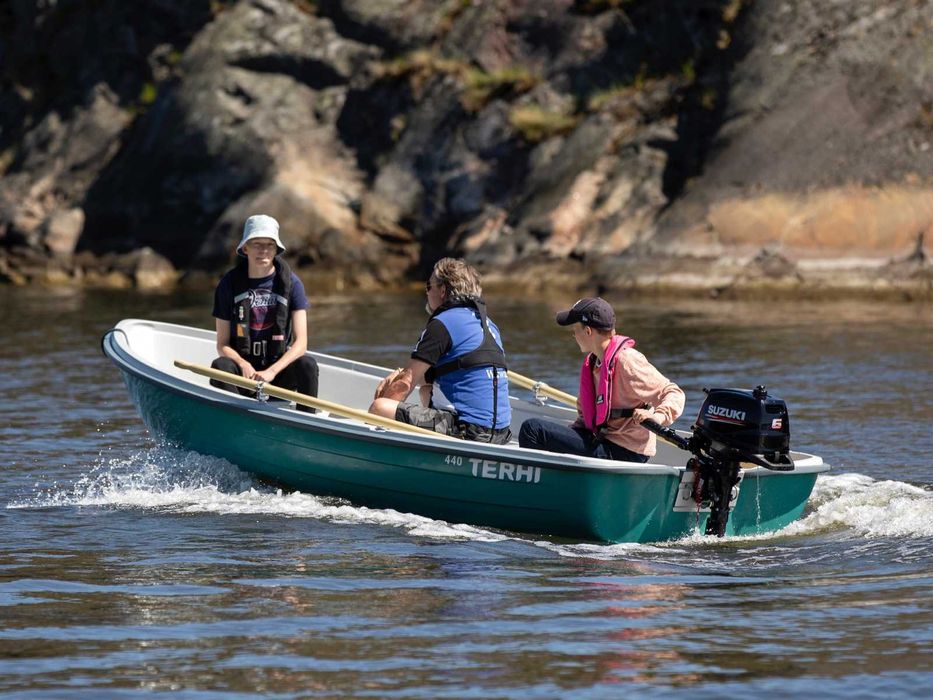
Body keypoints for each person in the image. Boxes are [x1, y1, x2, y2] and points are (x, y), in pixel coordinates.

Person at [518, 297, 684, 462]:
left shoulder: (627, 360)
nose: (573, 335)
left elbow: (673, 392)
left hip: (625, 451)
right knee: (545, 435)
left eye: (575, 329)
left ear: (588, 331)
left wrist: (658, 417)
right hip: (602, 440)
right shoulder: (594, 363)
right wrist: (562, 440)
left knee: (532, 429)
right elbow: (585, 420)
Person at [369, 257, 512, 443]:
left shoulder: (443, 323)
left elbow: (405, 384)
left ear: (443, 291)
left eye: (429, 286)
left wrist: (376, 415)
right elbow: (430, 374)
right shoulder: (489, 325)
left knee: (380, 407)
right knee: (425, 390)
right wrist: (398, 373)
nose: (426, 292)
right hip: (502, 433)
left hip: (468, 431)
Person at [210, 214, 319, 411]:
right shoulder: (228, 284)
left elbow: (301, 343)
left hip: (277, 371)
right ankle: (238, 420)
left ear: (277, 249)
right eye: (257, 244)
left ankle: (307, 423)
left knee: (307, 365)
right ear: (245, 248)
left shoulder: (292, 284)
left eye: (269, 244)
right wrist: (242, 364)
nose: (263, 250)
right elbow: (222, 344)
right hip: (244, 373)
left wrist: (271, 372)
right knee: (220, 366)